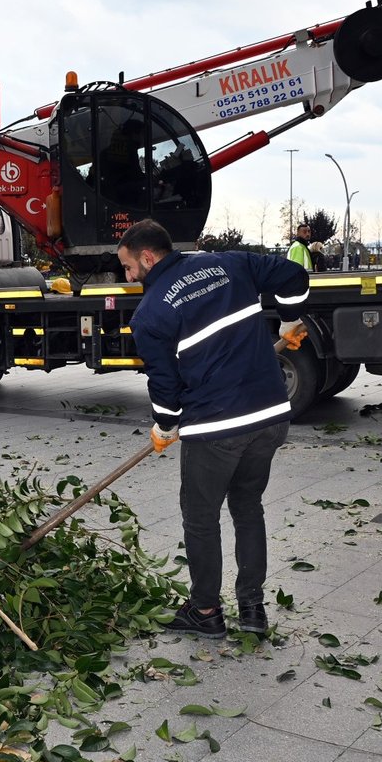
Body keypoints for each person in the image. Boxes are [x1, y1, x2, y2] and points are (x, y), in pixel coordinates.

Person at [118, 218, 309, 638]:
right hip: (270, 416)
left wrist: (165, 425)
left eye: (129, 267)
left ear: (148, 257)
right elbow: (294, 274)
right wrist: (290, 320)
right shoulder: (228, 263)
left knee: (201, 517)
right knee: (247, 508)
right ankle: (252, 611)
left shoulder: (150, 314)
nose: (129, 277)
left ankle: (205, 611)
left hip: (218, 428)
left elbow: (164, 384)